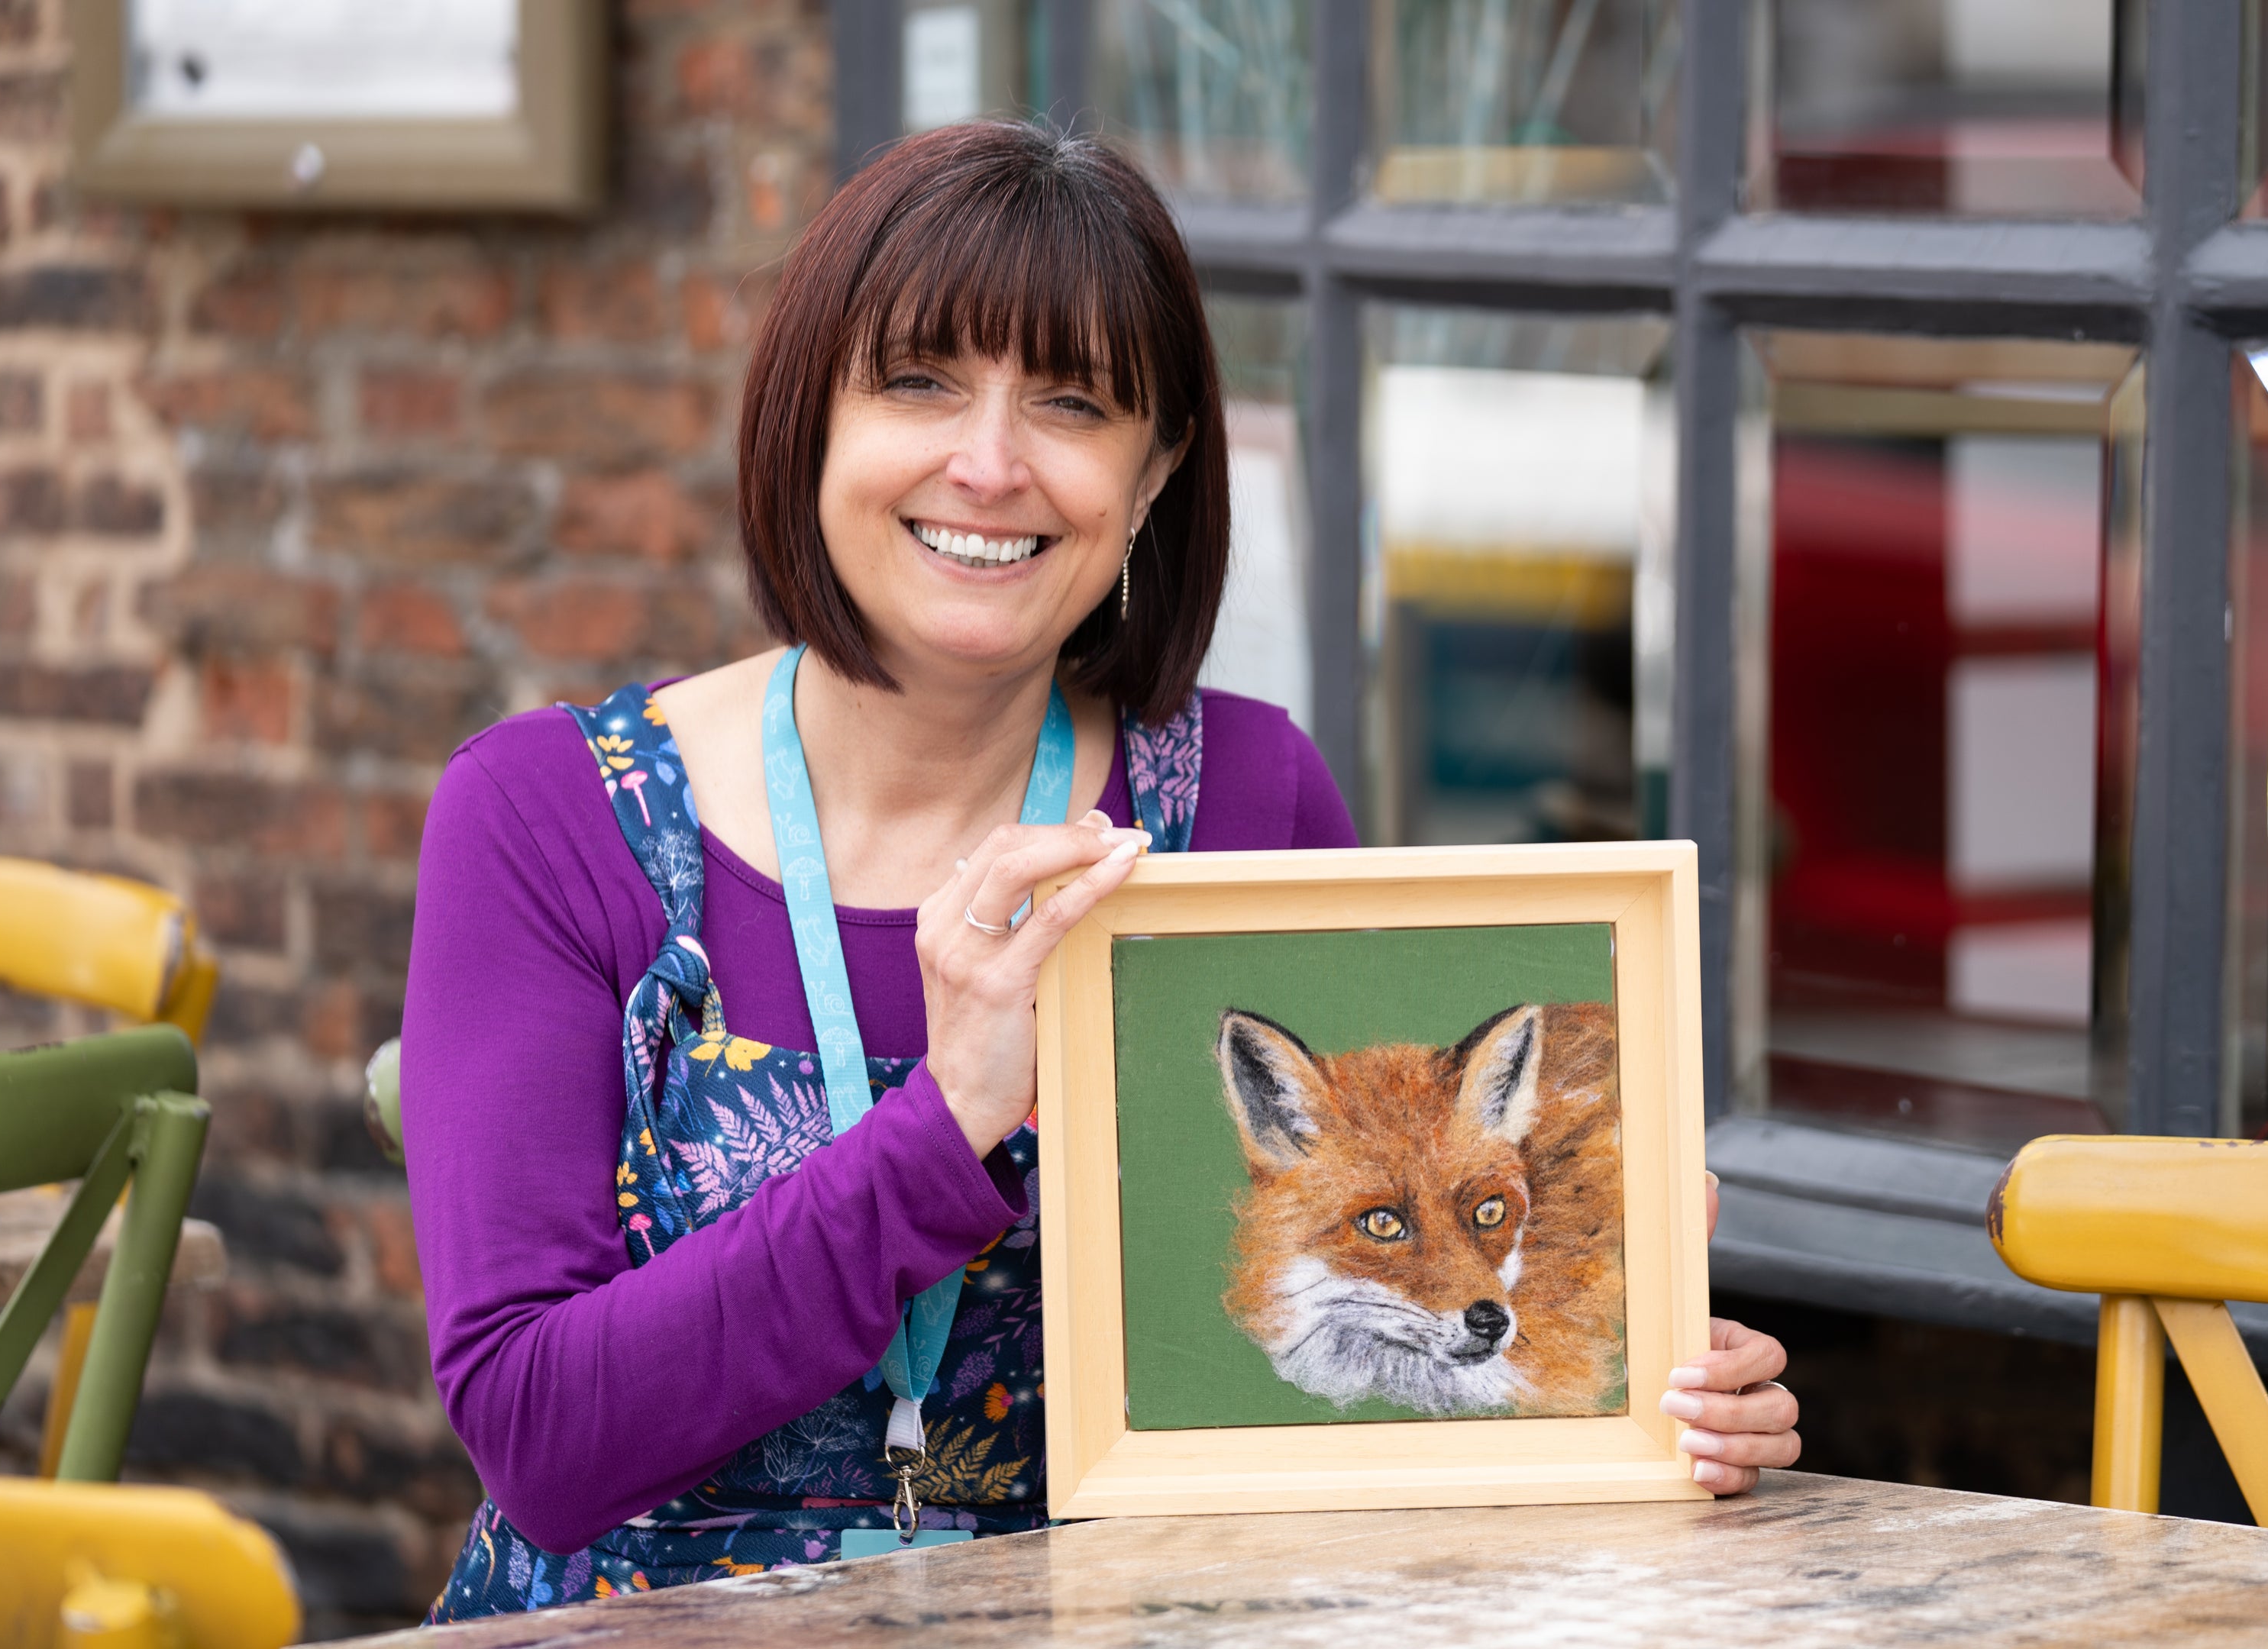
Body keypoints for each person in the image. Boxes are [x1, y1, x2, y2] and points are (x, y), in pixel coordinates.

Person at [402, 121, 1799, 1622]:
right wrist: (946, 1130)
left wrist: (1622, 1388)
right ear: (809, 416)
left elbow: (1320, 1428)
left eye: (1070, 404)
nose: (990, 465)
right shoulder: (551, 819)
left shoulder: (1246, 800)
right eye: (920, 382)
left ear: (1154, 475)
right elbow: (540, 1438)